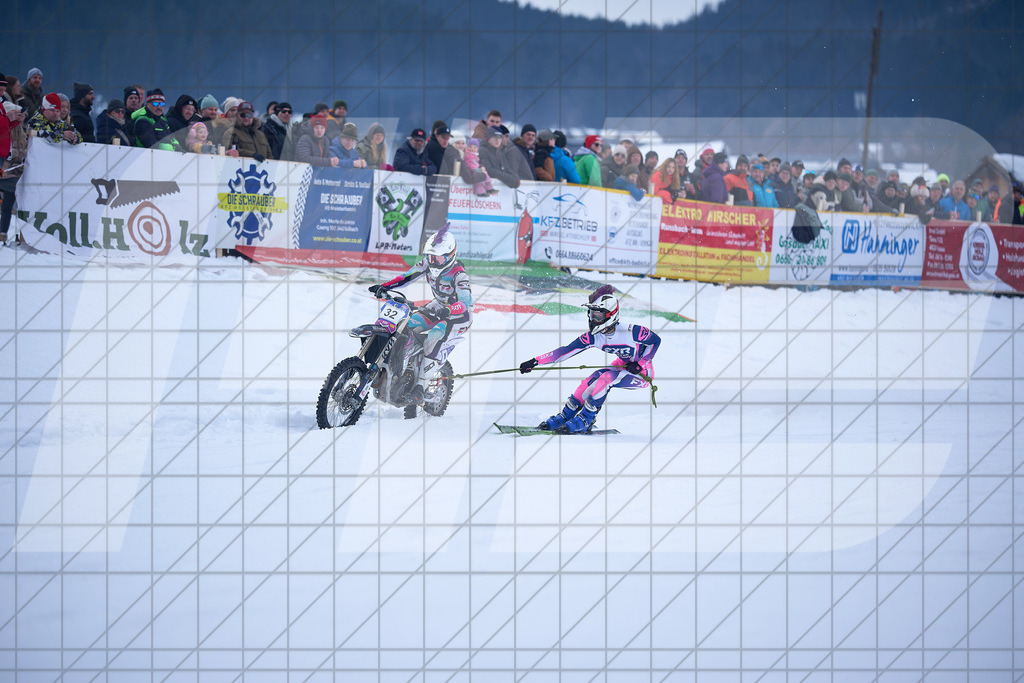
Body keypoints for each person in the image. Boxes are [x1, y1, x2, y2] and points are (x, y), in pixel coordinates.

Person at [518, 285, 661, 434]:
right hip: (622, 368)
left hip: (642, 374)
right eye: (591, 314)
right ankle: (567, 415)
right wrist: (535, 361)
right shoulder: (594, 337)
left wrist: (640, 364)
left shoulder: (632, 332)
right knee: (591, 381)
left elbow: (655, 341)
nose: (593, 319)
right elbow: (566, 351)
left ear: (611, 315)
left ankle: (586, 419)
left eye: (598, 316)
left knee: (606, 379)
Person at [368, 224, 473, 402]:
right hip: (438, 306)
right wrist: (384, 286)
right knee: (407, 326)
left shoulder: (459, 275)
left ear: (450, 256)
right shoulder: (428, 263)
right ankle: (403, 370)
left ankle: (421, 387)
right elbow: (406, 277)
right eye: (430, 257)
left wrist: (449, 309)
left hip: (458, 316)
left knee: (434, 337)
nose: (432, 262)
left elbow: (466, 302)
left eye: (438, 259)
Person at [1, 102, 28, 242]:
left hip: (13, 174)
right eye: (18, 114)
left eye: (22, 115)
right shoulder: (7, 131)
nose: (21, 117)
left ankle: (3, 234)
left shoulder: (23, 132)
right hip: (5, 175)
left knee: (7, 204)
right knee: (21, 198)